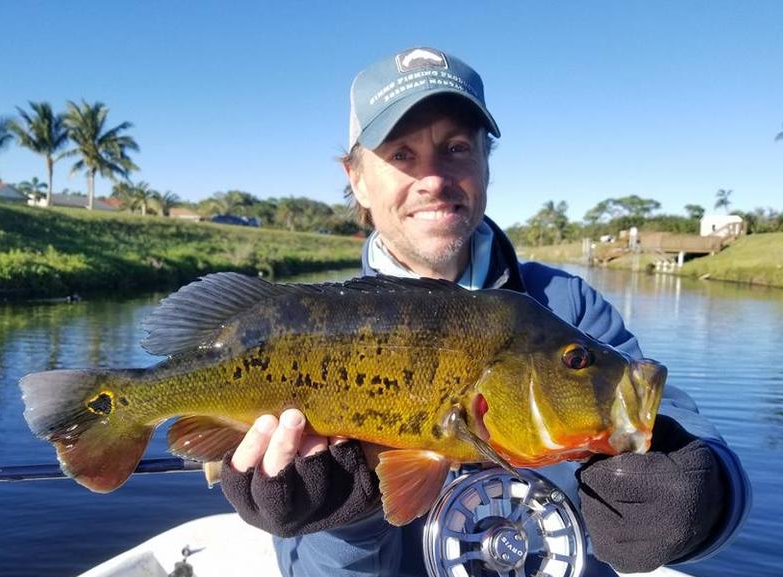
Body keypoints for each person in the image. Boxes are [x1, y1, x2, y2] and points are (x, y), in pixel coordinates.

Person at [219, 46, 752, 577]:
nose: (433, 178)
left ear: (485, 163)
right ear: (356, 178)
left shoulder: (565, 305)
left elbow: (682, 425)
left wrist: (704, 499)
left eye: (455, 147)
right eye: (402, 154)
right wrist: (339, 524)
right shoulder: (297, 321)